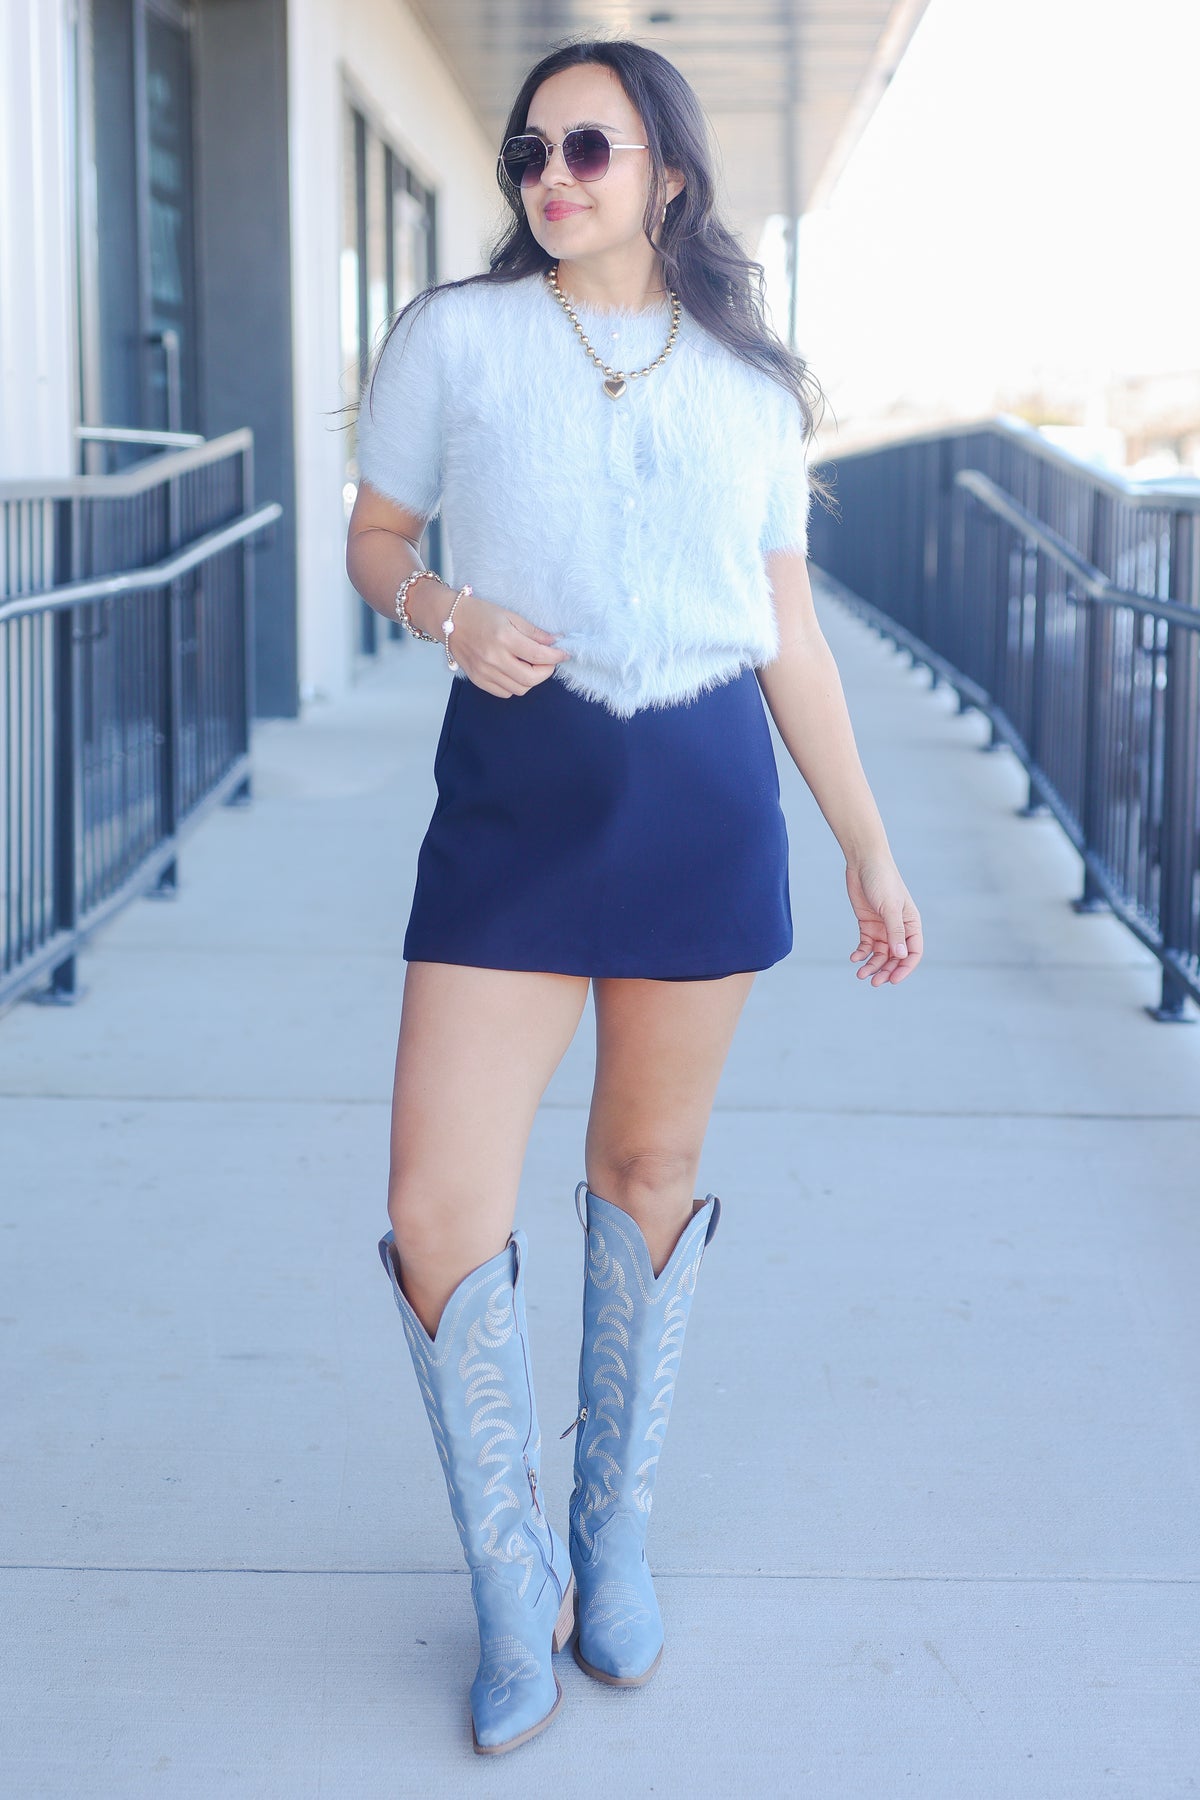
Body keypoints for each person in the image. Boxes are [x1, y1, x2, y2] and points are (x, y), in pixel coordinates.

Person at [345, 35, 923, 1758]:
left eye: (587, 148)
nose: (552, 176)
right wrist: (450, 612)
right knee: (437, 1202)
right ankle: (511, 1580)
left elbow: (788, 630)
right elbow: (377, 540)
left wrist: (866, 842)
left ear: (668, 168)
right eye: (529, 151)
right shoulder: (456, 339)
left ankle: (611, 1541)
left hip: (699, 796)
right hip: (514, 799)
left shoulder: (751, 389)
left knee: (648, 1172)